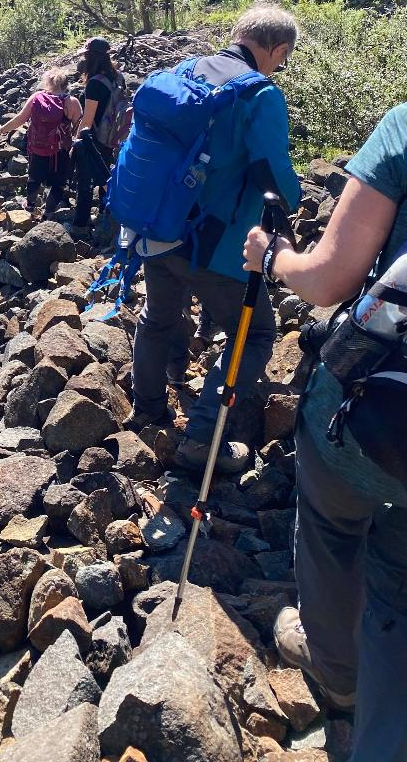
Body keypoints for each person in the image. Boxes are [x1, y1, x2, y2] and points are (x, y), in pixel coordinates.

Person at [244, 104, 407, 756]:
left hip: (368, 417)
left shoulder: (401, 127)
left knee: (334, 534)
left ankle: (340, 687)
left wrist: (275, 256)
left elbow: (331, 279)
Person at [128, 2, 301, 474]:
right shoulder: (260, 95)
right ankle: (202, 439)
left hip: (158, 230)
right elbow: (276, 176)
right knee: (258, 333)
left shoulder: (187, 71)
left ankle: (147, 408)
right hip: (215, 244)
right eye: (282, 59)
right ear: (277, 49)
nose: (280, 66)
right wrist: (297, 201)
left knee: (159, 316)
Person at [0, 70, 83, 216]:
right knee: (59, 184)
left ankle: (30, 205)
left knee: (34, 177)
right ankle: (48, 213)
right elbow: (79, 129)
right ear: (66, 85)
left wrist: (2, 130)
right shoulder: (72, 102)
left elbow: (20, 119)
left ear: (48, 83)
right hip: (61, 150)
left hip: (38, 147)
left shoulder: (36, 98)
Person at [69, 38, 126, 239]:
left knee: (85, 182)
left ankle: (80, 225)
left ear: (90, 57)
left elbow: (87, 119)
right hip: (114, 137)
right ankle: (106, 217)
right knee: (107, 175)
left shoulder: (94, 84)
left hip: (94, 140)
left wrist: (74, 142)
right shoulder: (118, 77)